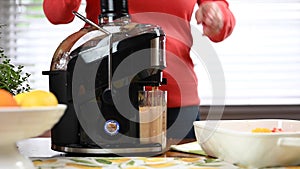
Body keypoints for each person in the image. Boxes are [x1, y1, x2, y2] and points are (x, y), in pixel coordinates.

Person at [43, 0, 235, 139]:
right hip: (102, 97)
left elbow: (223, 15)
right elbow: (57, 13)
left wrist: (216, 12)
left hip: (176, 101)